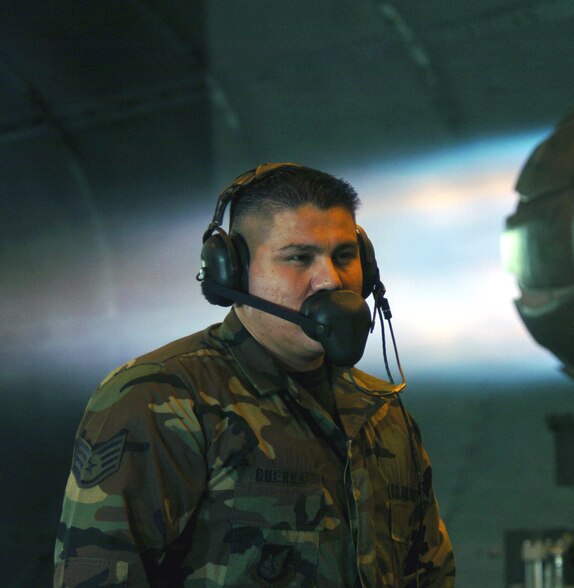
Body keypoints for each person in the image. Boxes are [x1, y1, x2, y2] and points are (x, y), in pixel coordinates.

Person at [53, 163, 455, 587]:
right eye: (299, 257)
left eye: (344, 256)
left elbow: (433, 573)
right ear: (234, 271)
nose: (330, 280)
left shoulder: (382, 411)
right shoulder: (161, 398)